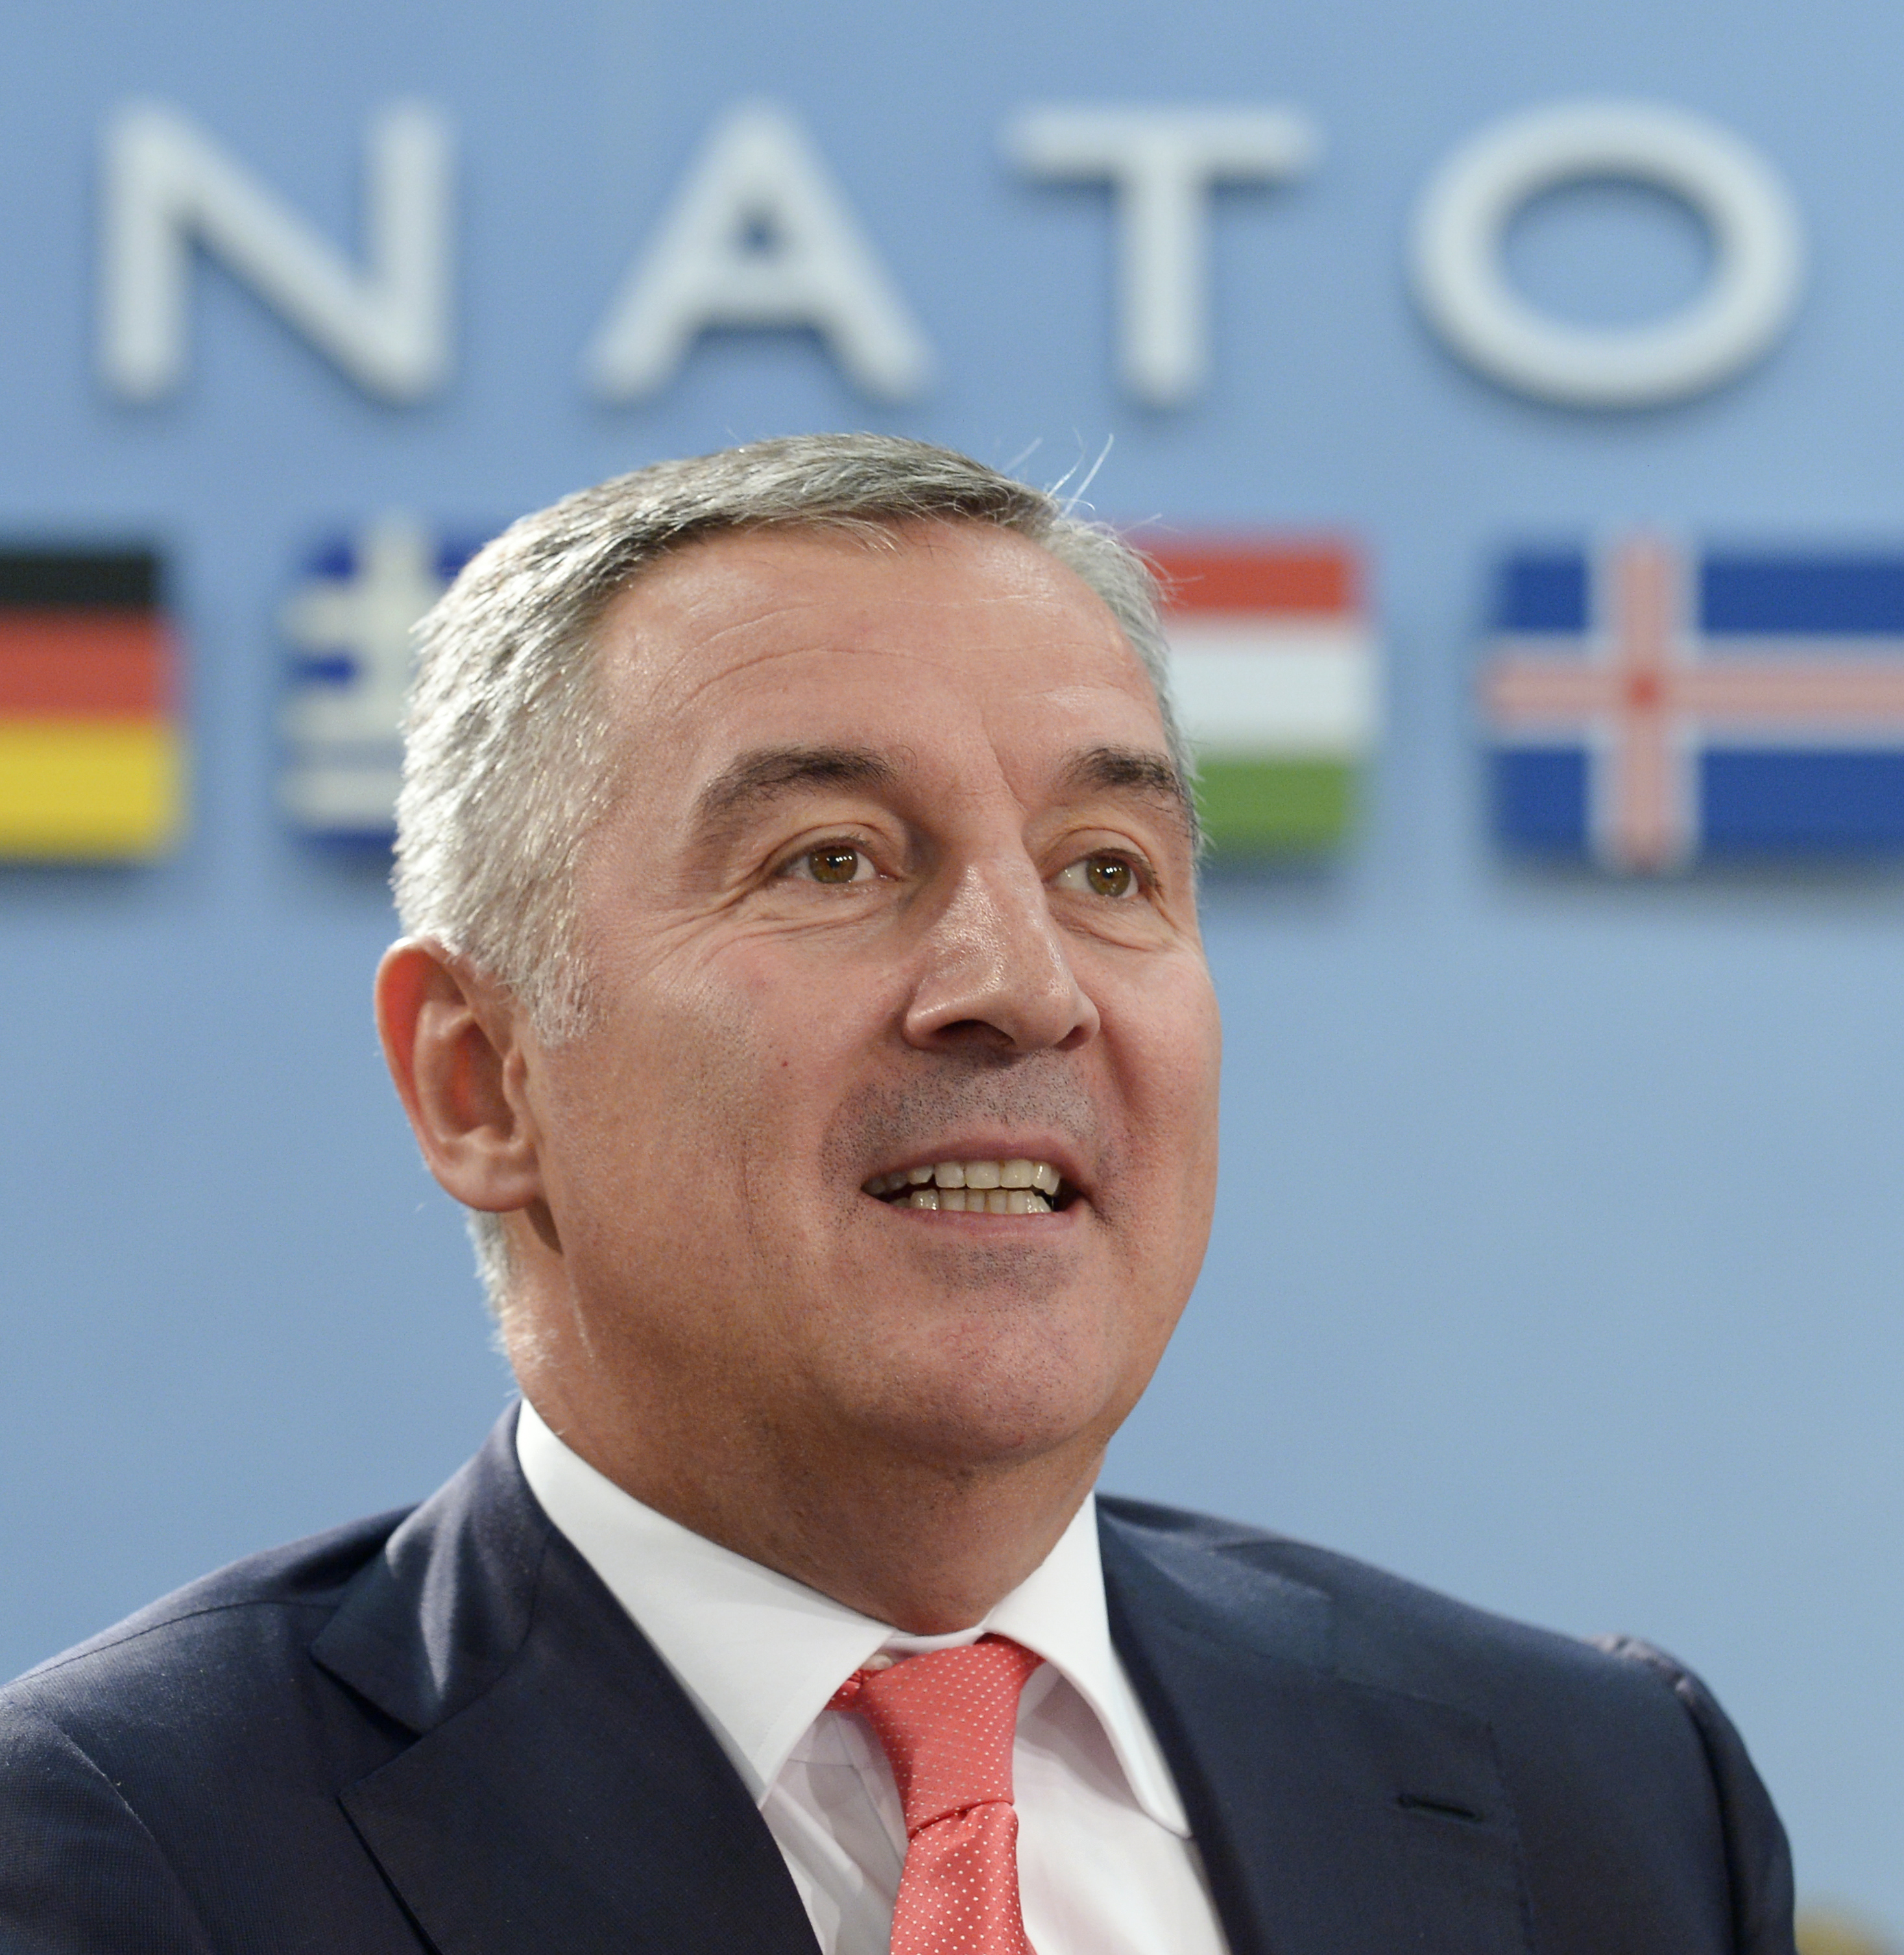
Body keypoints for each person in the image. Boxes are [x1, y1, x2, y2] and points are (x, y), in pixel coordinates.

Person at [0, 435, 1794, 1954]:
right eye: (832, 860)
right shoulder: (126, 1855)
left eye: (1110, 869)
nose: (1024, 983)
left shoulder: (1608, 1803)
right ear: (482, 1080)